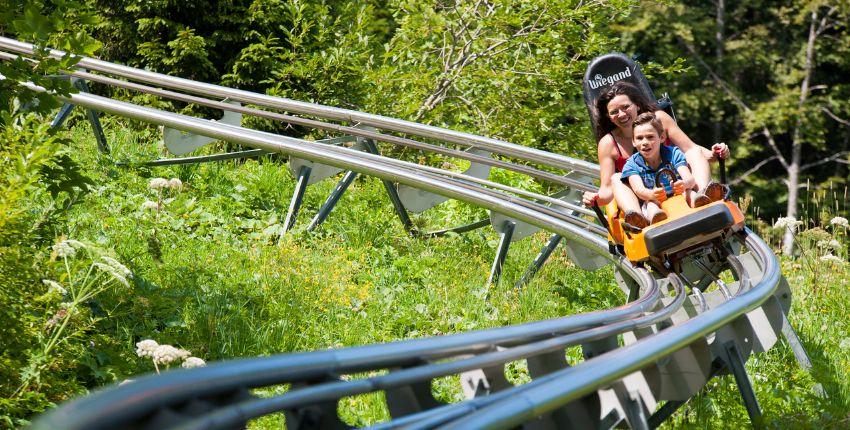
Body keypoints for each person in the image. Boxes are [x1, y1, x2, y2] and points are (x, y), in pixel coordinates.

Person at [581, 82, 730, 213]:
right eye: (614, 112)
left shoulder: (659, 120)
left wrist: (716, 154)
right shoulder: (608, 143)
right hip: (645, 199)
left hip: (680, 185)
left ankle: (703, 195)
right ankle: (637, 218)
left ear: (637, 105)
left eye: (625, 107)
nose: (621, 114)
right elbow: (607, 189)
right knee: (617, 178)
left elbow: (690, 149)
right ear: (608, 116)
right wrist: (595, 199)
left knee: (695, 152)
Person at [620, 112, 702, 228]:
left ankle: (700, 205)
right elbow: (639, 190)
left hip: (679, 195)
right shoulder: (631, 164)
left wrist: (684, 184)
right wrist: (651, 194)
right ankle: (657, 218)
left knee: (690, 193)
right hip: (655, 200)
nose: (644, 142)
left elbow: (689, 178)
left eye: (650, 137)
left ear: (662, 137)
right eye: (639, 138)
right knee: (651, 205)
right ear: (633, 141)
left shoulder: (673, 153)